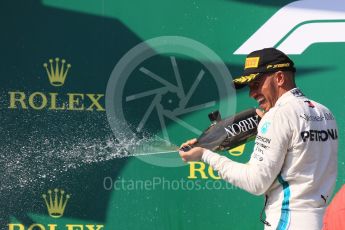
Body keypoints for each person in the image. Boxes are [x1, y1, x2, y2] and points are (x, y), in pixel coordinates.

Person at [179, 48, 338, 229]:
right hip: (320, 221)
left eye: (256, 83)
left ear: (279, 78)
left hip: (287, 221)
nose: (251, 93)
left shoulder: (278, 116)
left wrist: (205, 155)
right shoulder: (325, 113)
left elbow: (255, 182)